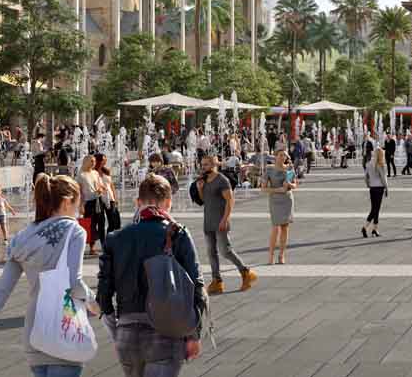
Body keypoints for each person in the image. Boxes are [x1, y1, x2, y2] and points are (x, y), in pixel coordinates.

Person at [0, 174, 101, 377]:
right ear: (68, 201)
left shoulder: (22, 237)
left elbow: (1, 292)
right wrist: (95, 303)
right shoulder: (73, 230)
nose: (80, 208)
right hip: (64, 329)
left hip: (34, 334)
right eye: (79, 202)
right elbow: (74, 283)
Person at [96, 174, 206, 377]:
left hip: (127, 332)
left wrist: (117, 331)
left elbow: (103, 294)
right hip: (166, 331)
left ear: (138, 202)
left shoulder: (115, 238)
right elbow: (196, 286)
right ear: (168, 202)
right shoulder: (177, 234)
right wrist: (193, 334)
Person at [193, 155, 256, 293]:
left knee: (225, 250)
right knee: (211, 252)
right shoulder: (204, 180)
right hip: (208, 221)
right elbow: (205, 201)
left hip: (220, 220)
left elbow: (230, 200)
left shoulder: (222, 180)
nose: (203, 167)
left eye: (206, 165)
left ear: (214, 164)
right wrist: (199, 189)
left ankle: (246, 272)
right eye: (202, 165)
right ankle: (217, 281)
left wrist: (225, 219)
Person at [264, 148, 296, 264]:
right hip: (275, 200)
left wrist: (290, 185)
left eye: (285, 156)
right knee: (275, 227)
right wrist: (278, 189)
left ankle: (282, 254)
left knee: (285, 228)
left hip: (287, 199)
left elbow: (295, 184)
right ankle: (271, 255)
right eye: (280, 155)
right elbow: (263, 188)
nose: (283, 157)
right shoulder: (269, 169)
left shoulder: (289, 169)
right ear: (275, 156)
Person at [363, 147, 388, 237]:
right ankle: (365, 227)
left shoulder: (369, 164)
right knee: (375, 209)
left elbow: (365, 176)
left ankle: (375, 229)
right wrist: (387, 188)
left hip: (372, 188)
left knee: (375, 209)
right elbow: (383, 178)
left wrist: (368, 184)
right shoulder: (380, 164)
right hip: (379, 188)